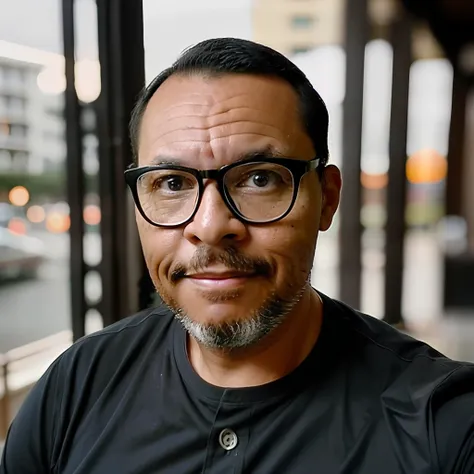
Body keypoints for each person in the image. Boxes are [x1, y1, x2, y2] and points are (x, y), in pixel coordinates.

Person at [1, 37, 473, 474]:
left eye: (260, 178)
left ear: (326, 198)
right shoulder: (77, 386)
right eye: (172, 184)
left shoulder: (442, 424)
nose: (209, 227)